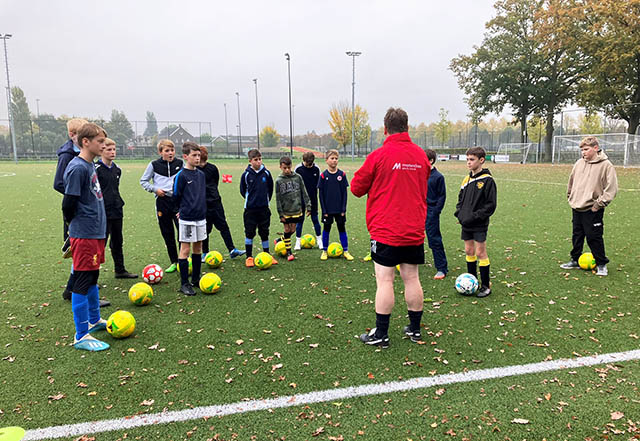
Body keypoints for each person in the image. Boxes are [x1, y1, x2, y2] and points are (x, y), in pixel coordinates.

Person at [351, 107, 430, 348]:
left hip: (386, 230)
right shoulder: (421, 156)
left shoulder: (379, 156)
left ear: (385, 129)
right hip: (414, 229)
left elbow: (356, 188)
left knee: (385, 280)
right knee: (411, 277)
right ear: (407, 127)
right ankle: (414, 330)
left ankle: (382, 334)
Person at [62, 122, 111, 351]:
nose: (103, 145)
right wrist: (75, 232)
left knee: (92, 277)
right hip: (85, 234)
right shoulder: (78, 168)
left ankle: (93, 320)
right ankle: (81, 336)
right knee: (82, 281)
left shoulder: (90, 165)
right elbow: (68, 203)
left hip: (95, 233)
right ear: (85, 142)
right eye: (100, 142)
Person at [560, 136, 617, 276]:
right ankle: (575, 259)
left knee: (594, 236)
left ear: (595, 148)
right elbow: (571, 182)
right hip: (576, 206)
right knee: (577, 235)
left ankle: (601, 263)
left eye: (586, 149)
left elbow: (611, 188)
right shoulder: (579, 163)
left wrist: (598, 205)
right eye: (582, 150)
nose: (583, 153)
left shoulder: (606, 165)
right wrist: (570, 197)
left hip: (592, 208)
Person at [454, 146, 497, 298]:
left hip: (479, 222)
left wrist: (476, 216)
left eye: (471, 159)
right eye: (467, 159)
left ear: (481, 160)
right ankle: (472, 282)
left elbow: (491, 205)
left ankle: (485, 285)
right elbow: (460, 199)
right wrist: (460, 213)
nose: (468, 162)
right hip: (466, 223)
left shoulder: (487, 180)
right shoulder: (466, 179)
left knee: (480, 252)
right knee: (469, 251)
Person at [95, 138, 137, 279]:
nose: (112, 152)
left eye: (114, 149)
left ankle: (120, 270)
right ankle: (92, 277)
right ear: (101, 151)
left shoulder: (117, 170)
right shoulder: (96, 170)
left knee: (117, 241)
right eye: (109, 149)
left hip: (117, 209)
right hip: (102, 211)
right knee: (100, 244)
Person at [140, 139, 183, 273]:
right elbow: (143, 181)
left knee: (181, 232)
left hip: (177, 202)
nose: (170, 153)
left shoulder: (180, 164)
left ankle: (182, 259)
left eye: (172, 150)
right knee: (167, 233)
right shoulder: (153, 165)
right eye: (167, 151)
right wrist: (155, 189)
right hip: (162, 202)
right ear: (160, 152)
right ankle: (174, 261)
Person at [197, 146, 245, 260]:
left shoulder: (213, 168)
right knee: (205, 229)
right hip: (203, 205)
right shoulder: (195, 171)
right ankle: (204, 253)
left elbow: (215, 183)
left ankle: (232, 250)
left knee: (223, 226)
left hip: (216, 202)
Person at [173, 142, 207, 296]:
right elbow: (176, 195)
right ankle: (184, 284)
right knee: (185, 249)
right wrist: (179, 211)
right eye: (194, 155)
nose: (197, 158)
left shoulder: (201, 174)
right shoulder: (181, 175)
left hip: (201, 217)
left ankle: (195, 279)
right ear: (186, 156)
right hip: (187, 218)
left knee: (198, 247)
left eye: (199, 155)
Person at [240, 149, 277, 267]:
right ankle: (249, 256)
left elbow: (270, 189)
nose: (258, 162)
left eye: (260, 159)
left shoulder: (266, 173)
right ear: (250, 161)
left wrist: (264, 201)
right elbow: (242, 190)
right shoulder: (246, 175)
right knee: (250, 232)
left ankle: (267, 254)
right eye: (256, 160)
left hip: (264, 209)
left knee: (264, 232)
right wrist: (251, 200)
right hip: (250, 209)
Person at [318, 150, 353, 261]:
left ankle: (346, 251)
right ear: (326, 160)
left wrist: (343, 209)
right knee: (326, 229)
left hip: (339, 210)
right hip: (327, 210)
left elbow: (344, 193)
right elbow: (321, 195)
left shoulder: (341, 175)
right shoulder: (323, 176)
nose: (334, 160)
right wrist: (324, 210)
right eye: (332, 158)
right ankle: (324, 251)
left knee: (341, 228)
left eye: (336, 158)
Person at [275, 156, 311, 261]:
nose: (287, 170)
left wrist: (308, 205)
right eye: (284, 168)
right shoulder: (278, 181)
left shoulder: (297, 177)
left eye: (289, 167)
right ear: (280, 167)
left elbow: (304, 192)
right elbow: (277, 199)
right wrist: (280, 214)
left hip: (296, 209)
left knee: (293, 230)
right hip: (285, 210)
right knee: (287, 229)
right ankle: (289, 252)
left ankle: (280, 239)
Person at [425, 149, 448, 279]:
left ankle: (442, 268)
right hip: (417, 211)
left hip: (431, 212)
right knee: (411, 239)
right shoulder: (419, 174)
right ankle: (411, 263)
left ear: (431, 161)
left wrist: (435, 211)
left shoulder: (438, 177)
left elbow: (442, 196)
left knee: (434, 239)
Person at [294, 152, 322, 250]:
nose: (309, 166)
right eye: (307, 164)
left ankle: (319, 240)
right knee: (300, 220)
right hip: (300, 199)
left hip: (313, 198)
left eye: (310, 164)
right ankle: (297, 241)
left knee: (315, 219)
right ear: (303, 160)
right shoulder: (298, 169)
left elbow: (319, 185)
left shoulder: (317, 169)